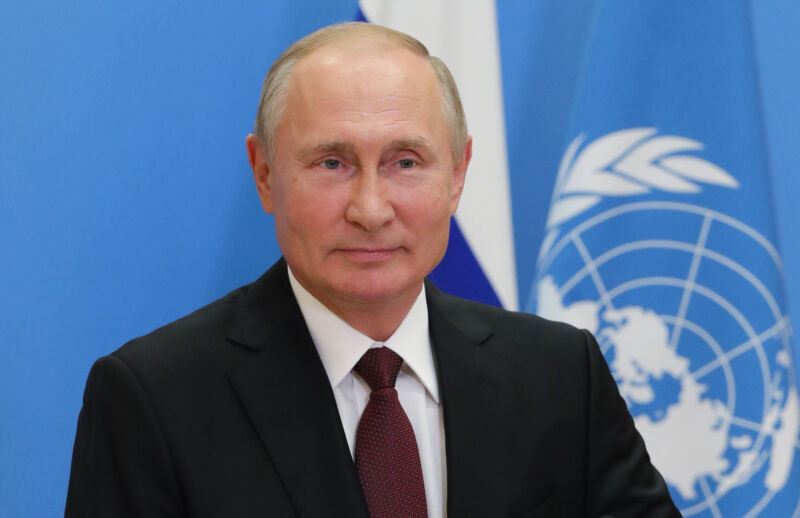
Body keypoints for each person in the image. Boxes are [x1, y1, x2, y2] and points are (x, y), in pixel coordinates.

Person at [66, 22, 680, 518]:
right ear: (265, 174)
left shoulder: (562, 375)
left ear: (458, 174)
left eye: (405, 162)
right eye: (331, 163)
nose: (370, 209)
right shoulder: (153, 398)